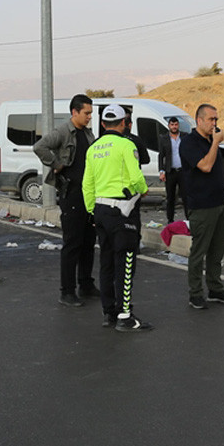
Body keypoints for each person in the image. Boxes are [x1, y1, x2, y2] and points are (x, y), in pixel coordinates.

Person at [82, 104, 153, 332]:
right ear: (124, 123)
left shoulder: (93, 148)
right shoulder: (126, 144)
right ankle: (125, 316)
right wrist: (143, 189)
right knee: (126, 262)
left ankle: (109, 312)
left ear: (103, 124)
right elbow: (136, 177)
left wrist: (92, 211)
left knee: (106, 262)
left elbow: (87, 185)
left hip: (100, 210)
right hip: (122, 210)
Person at [34, 94, 100, 307]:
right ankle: (67, 291)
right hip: (71, 194)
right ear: (74, 112)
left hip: (89, 195)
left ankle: (86, 284)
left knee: (89, 242)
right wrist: (56, 163)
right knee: (73, 243)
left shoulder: (88, 134)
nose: (90, 116)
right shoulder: (63, 131)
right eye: (86, 113)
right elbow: (40, 146)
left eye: (91, 113)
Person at [180, 103, 224, 310]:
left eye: (216, 119)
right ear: (199, 120)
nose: (215, 123)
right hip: (202, 206)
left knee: (217, 251)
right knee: (199, 251)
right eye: (211, 119)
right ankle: (195, 293)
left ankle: (215, 288)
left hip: (220, 202)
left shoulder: (211, 141)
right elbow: (205, 166)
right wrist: (215, 144)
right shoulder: (189, 143)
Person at [156, 115, 186, 224]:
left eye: (176, 124)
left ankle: (188, 220)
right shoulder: (164, 138)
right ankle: (170, 220)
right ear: (169, 126)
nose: (174, 127)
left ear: (178, 125)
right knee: (171, 198)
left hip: (183, 171)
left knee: (186, 197)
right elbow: (161, 156)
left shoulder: (184, 136)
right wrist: (161, 171)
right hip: (170, 171)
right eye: (172, 125)